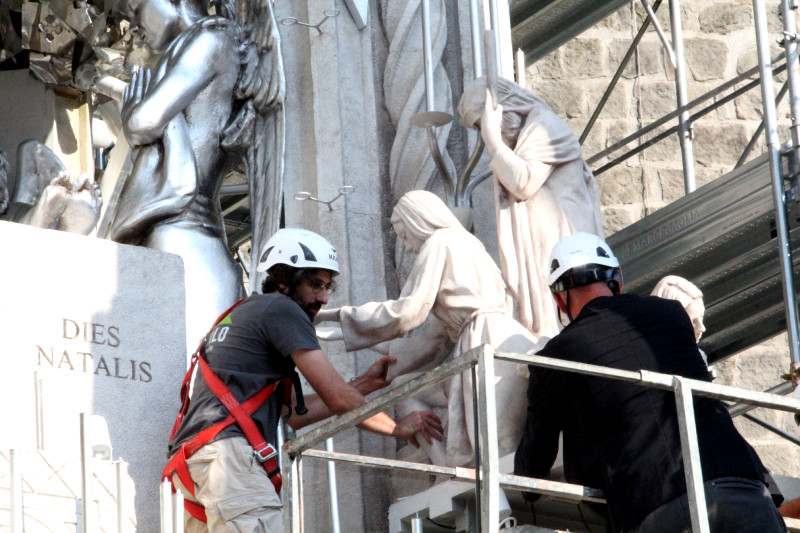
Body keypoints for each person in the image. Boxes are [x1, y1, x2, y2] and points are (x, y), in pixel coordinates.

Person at [164, 228, 443, 533]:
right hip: (228, 461)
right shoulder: (283, 309)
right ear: (284, 280)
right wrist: (397, 427)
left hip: (196, 465)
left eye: (326, 287)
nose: (323, 298)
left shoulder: (242, 314)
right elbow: (338, 398)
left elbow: (295, 415)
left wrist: (364, 384)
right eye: (315, 285)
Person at [514, 232, 786, 533]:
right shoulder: (671, 313)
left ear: (558, 298)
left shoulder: (557, 355)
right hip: (739, 482)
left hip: (655, 504)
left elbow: (532, 476)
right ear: (617, 278)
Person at [316, 190, 536, 467]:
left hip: (484, 340)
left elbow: (407, 311)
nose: (407, 246)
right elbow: (433, 343)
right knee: (405, 386)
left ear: (418, 221)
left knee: (494, 450)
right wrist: (344, 334)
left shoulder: (440, 241)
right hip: (503, 336)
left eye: (405, 234)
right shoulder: (470, 247)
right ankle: (449, 469)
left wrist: (335, 315)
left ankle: (449, 469)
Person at [457, 77, 604, 340]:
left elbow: (522, 182)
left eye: (484, 122)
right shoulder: (525, 135)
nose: (488, 130)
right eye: (481, 128)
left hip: (565, 238)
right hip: (547, 239)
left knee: (566, 309)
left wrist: (492, 140)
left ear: (502, 108)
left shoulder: (547, 126)